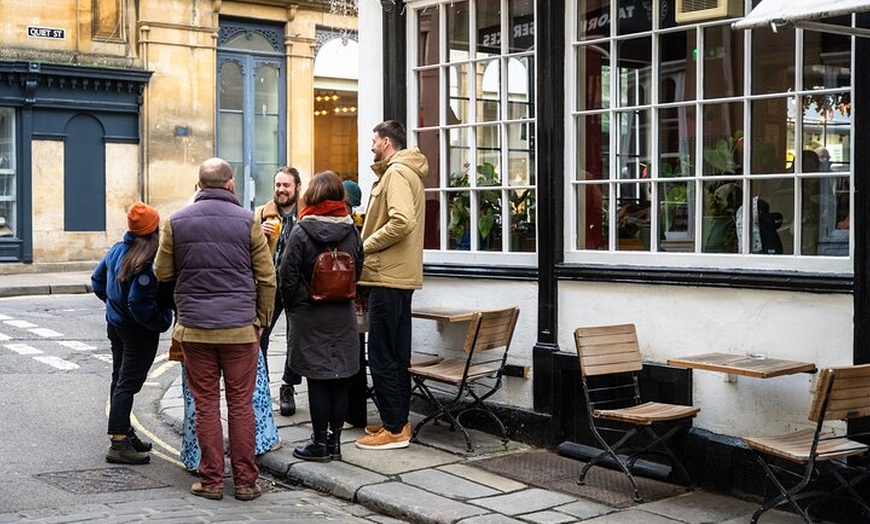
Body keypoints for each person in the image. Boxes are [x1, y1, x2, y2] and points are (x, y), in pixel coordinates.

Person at [154, 157, 276, 502]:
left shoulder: (176, 222)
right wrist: (261, 321)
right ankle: (246, 482)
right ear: (230, 184)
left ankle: (211, 481)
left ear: (199, 185)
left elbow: (162, 272)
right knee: (241, 405)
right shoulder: (249, 221)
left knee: (206, 404)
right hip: (240, 329)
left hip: (195, 329)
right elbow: (267, 277)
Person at [279, 170, 363, 461]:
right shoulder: (351, 230)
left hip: (309, 313)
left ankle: (318, 443)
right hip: (342, 313)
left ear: (312, 194)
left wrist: (294, 305)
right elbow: (358, 269)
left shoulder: (302, 230)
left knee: (317, 378)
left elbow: (287, 275)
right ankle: (335, 442)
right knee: (339, 376)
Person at [354, 120, 428, 450]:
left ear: (386, 142)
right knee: (397, 354)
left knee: (382, 354)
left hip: (387, 276)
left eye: (374, 140)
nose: (371, 146)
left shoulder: (396, 173)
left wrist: (364, 245)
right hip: (400, 276)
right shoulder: (407, 172)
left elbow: (401, 221)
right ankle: (397, 421)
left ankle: (395, 429)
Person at [92, 202, 173, 465]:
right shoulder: (147, 261)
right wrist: (161, 321)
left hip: (116, 326)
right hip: (138, 332)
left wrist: (113, 307)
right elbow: (139, 303)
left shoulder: (117, 249)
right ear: (154, 229)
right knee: (128, 383)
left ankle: (125, 431)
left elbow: (97, 281)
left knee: (119, 378)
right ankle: (118, 442)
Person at [254, 166, 303, 416]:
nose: (281, 190)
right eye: (278, 185)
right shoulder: (261, 214)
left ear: (297, 188)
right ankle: (261, 387)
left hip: (297, 286)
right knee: (259, 336)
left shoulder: (307, 215)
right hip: (269, 285)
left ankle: (288, 386)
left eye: (286, 185)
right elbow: (247, 249)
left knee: (296, 338)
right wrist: (258, 234)